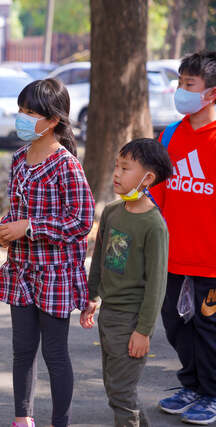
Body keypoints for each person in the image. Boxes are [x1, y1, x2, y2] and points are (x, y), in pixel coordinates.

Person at [0, 79, 95, 427]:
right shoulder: (19, 158)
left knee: (54, 353)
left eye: (31, 113)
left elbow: (81, 221)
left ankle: (59, 421)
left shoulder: (67, 165)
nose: (22, 118)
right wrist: (5, 230)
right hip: (20, 271)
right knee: (22, 351)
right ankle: (23, 418)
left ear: (53, 121)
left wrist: (30, 228)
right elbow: (16, 210)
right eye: (21, 111)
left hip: (55, 276)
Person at [81, 138, 173, 426]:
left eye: (125, 168)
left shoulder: (154, 225)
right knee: (116, 388)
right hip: (109, 314)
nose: (117, 174)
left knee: (121, 392)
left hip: (131, 321)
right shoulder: (111, 212)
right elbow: (98, 259)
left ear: (148, 178)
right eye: (116, 166)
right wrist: (92, 296)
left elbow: (157, 282)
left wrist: (143, 331)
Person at [150, 51, 216, 425]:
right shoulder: (170, 134)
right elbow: (157, 194)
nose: (179, 92)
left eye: (189, 85)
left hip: (210, 260)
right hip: (172, 257)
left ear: (211, 94)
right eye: (179, 83)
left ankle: (212, 393)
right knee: (178, 326)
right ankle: (191, 386)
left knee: (209, 330)